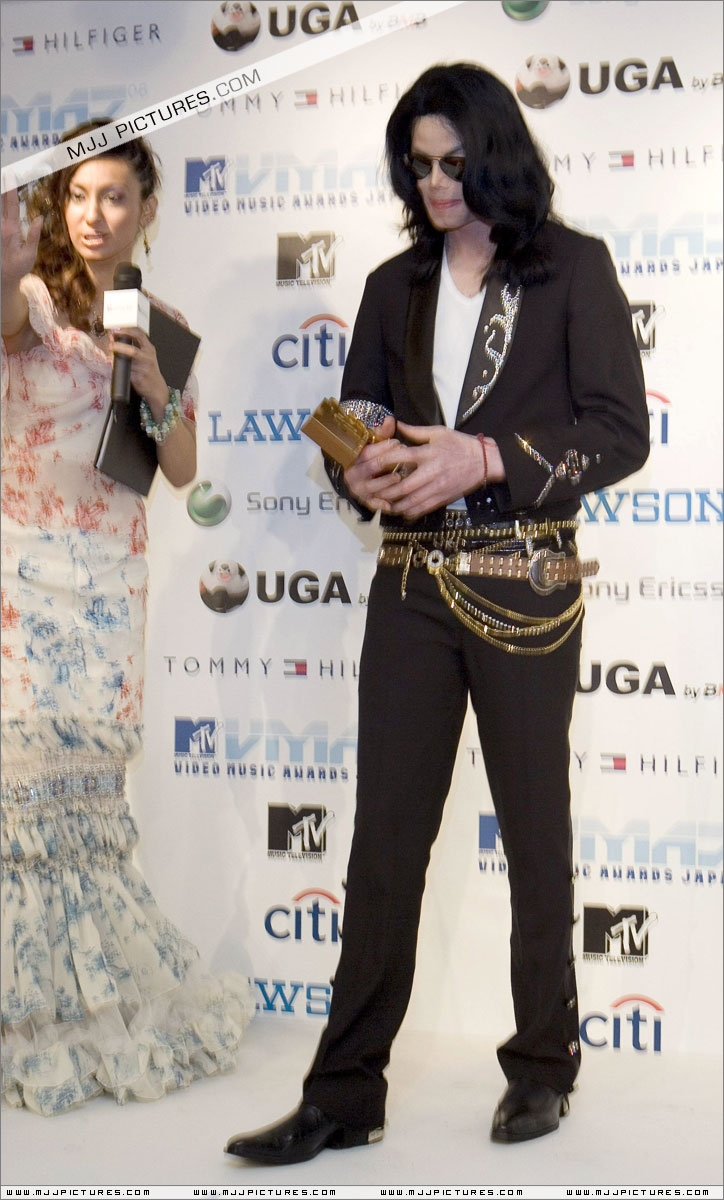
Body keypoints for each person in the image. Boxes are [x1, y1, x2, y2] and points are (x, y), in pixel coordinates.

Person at [225, 62, 649, 1163]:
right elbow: (357, 419)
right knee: (384, 840)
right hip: (409, 584)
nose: (435, 185)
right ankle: (343, 1092)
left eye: (454, 163)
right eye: (417, 167)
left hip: (524, 586)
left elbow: (620, 432)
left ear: (496, 152)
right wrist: (357, 469)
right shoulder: (392, 284)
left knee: (535, 828)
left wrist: (486, 457)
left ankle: (544, 1065)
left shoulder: (572, 268)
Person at [1, 123, 254, 1116]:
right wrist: (9, 264)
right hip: (17, 581)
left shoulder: (164, 326)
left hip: (107, 583)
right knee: (15, 800)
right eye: (75, 195)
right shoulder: (31, 297)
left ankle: (82, 1003)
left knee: (83, 806)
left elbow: (181, 470)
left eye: (112, 196)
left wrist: (153, 384)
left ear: (147, 209)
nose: (92, 215)